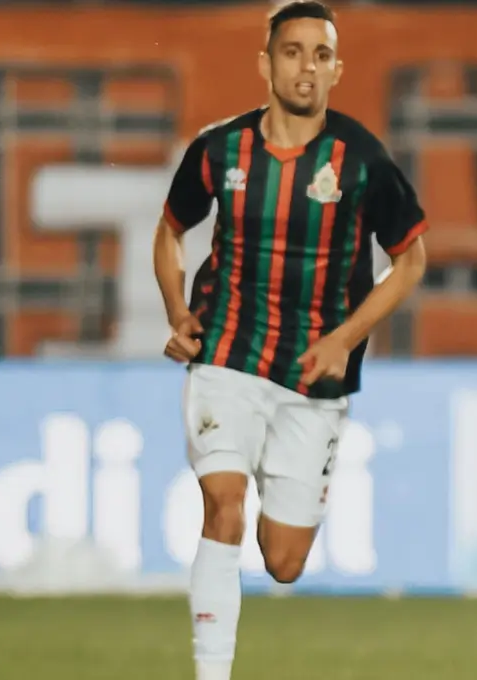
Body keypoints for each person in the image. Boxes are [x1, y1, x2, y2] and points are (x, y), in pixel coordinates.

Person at [151, 3, 428, 679]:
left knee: (283, 561)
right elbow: (170, 229)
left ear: (337, 69)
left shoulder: (362, 161)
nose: (306, 66)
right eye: (293, 51)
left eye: (320, 54)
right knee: (223, 503)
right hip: (227, 352)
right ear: (266, 63)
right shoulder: (219, 150)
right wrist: (177, 312)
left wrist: (345, 339)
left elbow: (411, 260)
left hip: (314, 376)